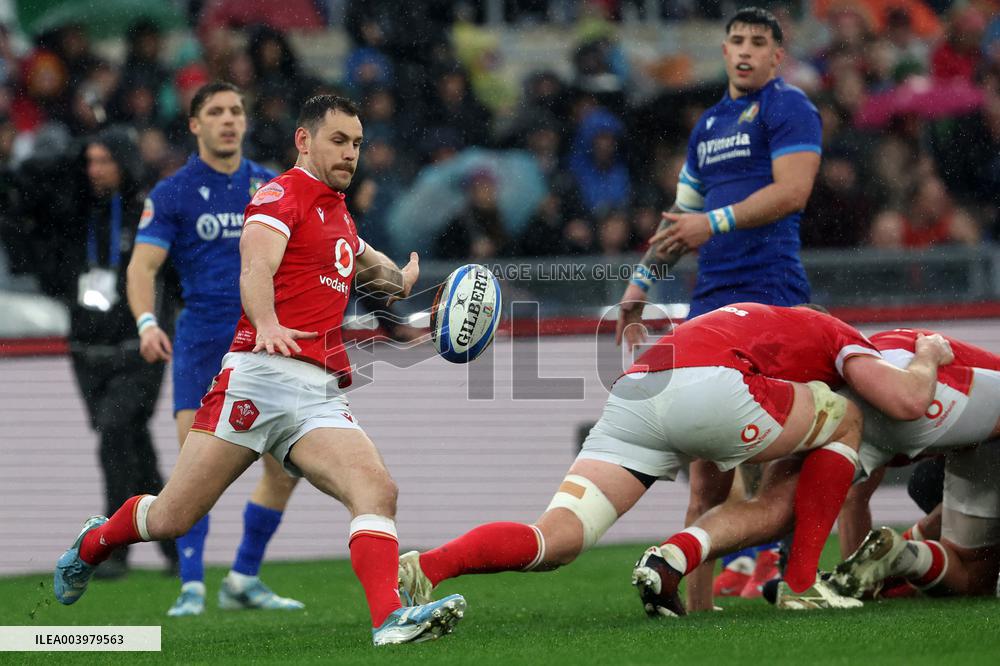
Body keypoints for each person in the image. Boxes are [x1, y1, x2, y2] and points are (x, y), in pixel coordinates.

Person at [54, 95, 467, 646]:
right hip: (258, 378)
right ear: (304, 140)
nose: (350, 154)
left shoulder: (337, 211)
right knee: (174, 516)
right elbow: (255, 267)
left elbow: (373, 270)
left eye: (358, 143)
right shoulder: (278, 195)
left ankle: (388, 619)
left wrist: (408, 284)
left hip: (316, 394)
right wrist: (266, 320)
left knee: (377, 491)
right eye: (338, 141)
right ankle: (94, 541)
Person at [396, 304, 953, 622]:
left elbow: (705, 492)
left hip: (639, 389)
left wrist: (699, 606)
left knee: (555, 540)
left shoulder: (752, 322)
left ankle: (429, 567)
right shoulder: (841, 335)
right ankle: (801, 585)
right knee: (849, 419)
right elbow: (903, 401)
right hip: (717, 387)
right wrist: (926, 356)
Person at [616, 6, 823, 606]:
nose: (746, 51)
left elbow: (794, 191)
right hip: (711, 303)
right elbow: (679, 221)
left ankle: (788, 577)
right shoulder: (708, 125)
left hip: (773, 294)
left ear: (777, 56)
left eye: (759, 43)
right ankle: (700, 609)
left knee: (780, 451)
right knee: (708, 474)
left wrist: (717, 221)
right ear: (724, 49)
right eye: (736, 41)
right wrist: (637, 288)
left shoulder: (789, 108)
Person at [126, 82, 304, 616]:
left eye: (236, 110)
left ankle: (244, 577)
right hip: (202, 344)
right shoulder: (173, 192)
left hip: (263, 343)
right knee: (191, 473)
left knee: (285, 470)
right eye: (216, 112)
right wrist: (145, 321)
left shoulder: (272, 186)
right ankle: (190, 586)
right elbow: (142, 267)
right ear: (195, 125)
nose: (229, 120)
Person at [33, 127, 177, 580]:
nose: (95, 170)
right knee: (133, 445)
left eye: (105, 161)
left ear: (125, 163)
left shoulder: (148, 212)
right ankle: (179, 543)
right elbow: (30, 192)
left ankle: (114, 547)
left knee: (116, 435)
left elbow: (170, 279)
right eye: (89, 161)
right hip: (87, 351)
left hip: (139, 347)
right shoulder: (73, 210)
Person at [824, 329, 1000, 601]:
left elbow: (853, 497)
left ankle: (900, 557)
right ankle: (897, 559)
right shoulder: (868, 361)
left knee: (971, 573)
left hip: (977, 438)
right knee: (926, 483)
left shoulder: (855, 385)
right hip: (975, 438)